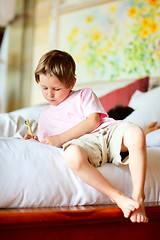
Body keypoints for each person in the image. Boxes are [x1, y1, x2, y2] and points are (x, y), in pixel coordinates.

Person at [24, 49, 148, 223]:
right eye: (44, 88)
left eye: (56, 89)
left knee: (136, 133)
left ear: (72, 83)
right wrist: (34, 141)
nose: (49, 94)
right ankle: (118, 197)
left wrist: (60, 138)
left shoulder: (84, 94)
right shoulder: (44, 116)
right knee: (72, 156)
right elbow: (47, 143)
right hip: (84, 144)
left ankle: (138, 197)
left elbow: (93, 121)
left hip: (105, 132)